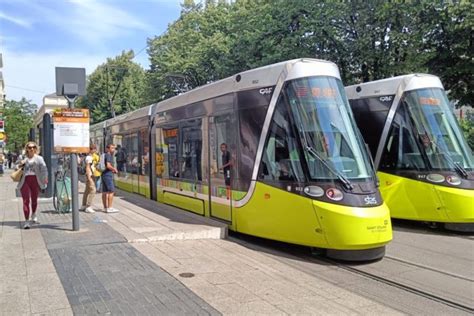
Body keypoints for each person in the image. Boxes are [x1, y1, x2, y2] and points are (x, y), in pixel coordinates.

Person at [16, 141, 48, 229]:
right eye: (29, 147)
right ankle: (26, 221)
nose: (32, 149)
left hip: (35, 180)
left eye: (33, 147)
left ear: (36, 148)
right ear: (26, 149)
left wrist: (45, 178)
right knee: (26, 201)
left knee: (34, 200)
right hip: (24, 181)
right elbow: (15, 167)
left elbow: (44, 169)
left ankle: (33, 213)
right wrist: (20, 164)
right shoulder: (22, 157)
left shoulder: (39, 158)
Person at [80, 144, 98, 213]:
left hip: (88, 175)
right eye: (95, 149)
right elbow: (88, 167)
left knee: (87, 190)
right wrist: (89, 177)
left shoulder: (87, 157)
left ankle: (83, 205)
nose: (96, 150)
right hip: (89, 175)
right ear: (92, 149)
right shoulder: (89, 158)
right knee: (93, 190)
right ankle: (88, 206)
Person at [101, 144, 119, 213]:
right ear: (107, 149)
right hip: (108, 175)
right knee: (111, 191)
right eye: (112, 148)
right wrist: (114, 169)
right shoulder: (108, 155)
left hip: (104, 174)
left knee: (105, 192)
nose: (113, 150)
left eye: (114, 148)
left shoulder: (104, 154)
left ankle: (105, 207)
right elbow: (108, 165)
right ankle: (110, 207)